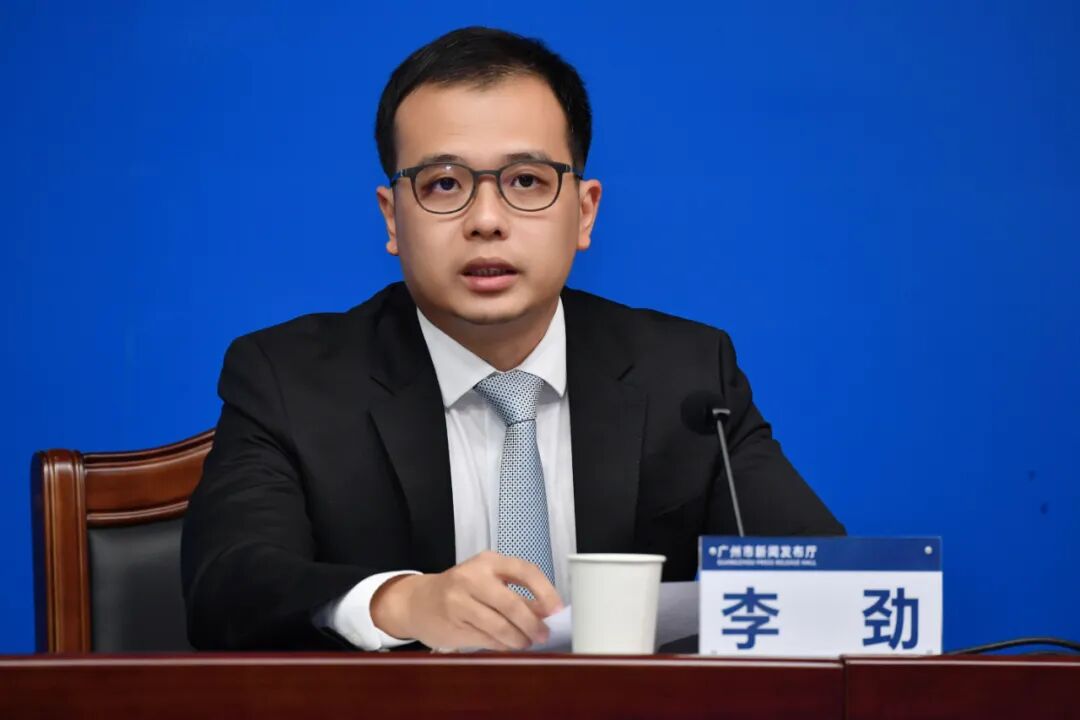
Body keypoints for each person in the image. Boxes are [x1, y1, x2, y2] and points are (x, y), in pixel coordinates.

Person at [181, 26, 844, 652]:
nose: (487, 220)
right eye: (444, 184)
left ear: (584, 212)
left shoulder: (687, 376)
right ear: (393, 219)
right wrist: (402, 602)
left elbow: (828, 586)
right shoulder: (290, 380)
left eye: (526, 181)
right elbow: (225, 587)